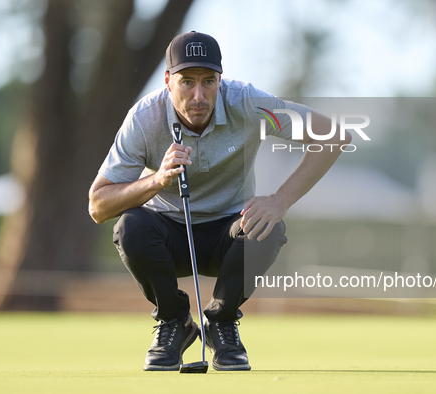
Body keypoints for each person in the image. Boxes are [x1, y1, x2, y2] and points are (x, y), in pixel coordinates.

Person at [88, 31, 348, 371]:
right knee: (131, 226)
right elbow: (98, 206)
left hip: (228, 233)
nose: (199, 96)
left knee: (266, 227)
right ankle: (174, 323)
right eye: (187, 83)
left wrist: (280, 200)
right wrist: (157, 179)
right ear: (168, 81)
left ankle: (221, 323)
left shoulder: (248, 104)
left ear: (220, 81)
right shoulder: (145, 119)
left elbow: (333, 135)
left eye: (209, 82)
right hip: (167, 235)